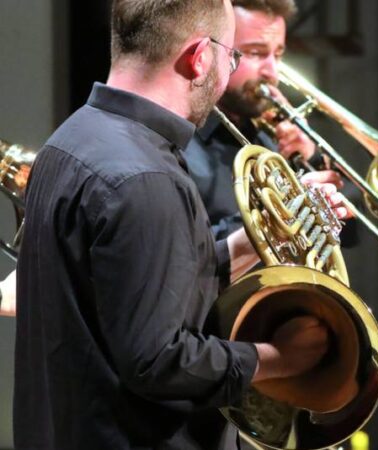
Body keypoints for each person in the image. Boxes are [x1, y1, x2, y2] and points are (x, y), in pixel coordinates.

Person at [13, 0, 345, 448]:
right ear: (199, 57)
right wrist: (280, 358)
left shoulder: (69, 139)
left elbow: (134, 291)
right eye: (232, 56)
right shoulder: (146, 176)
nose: (228, 72)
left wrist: (253, 240)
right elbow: (160, 360)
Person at [185, 0, 351, 241]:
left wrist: (311, 157)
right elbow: (189, 253)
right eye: (255, 53)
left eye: (278, 54)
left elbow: (348, 236)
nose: (272, 72)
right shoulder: (181, 143)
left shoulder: (276, 137)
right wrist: (280, 211)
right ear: (212, 52)